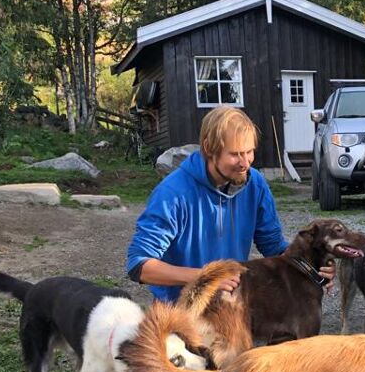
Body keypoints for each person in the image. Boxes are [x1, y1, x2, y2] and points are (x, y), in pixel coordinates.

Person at [126, 106, 331, 303]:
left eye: (249, 151)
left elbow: (274, 248)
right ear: (209, 149)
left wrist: (314, 263)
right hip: (180, 312)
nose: (245, 163)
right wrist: (208, 277)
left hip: (230, 309)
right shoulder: (173, 194)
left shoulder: (255, 184)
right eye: (235, 154)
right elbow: (140, 265)